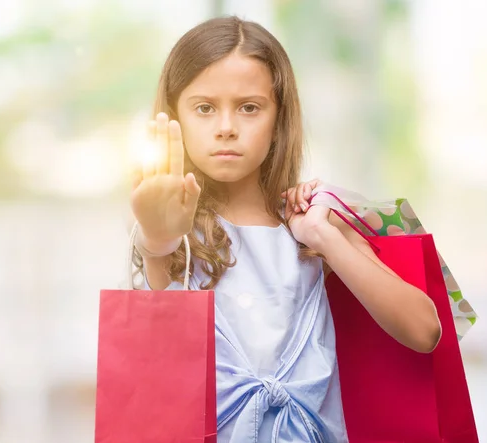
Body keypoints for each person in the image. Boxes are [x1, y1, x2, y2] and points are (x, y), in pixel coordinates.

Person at [129, 15, 441, 443]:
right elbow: (155, 320)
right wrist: (158, 238)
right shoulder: (165, 233)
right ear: (174, 117)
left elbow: (425, 331)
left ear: (280, 121)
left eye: (249, 107)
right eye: (204, 107)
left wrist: (326, 237)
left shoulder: (312, 223)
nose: (226, 126)